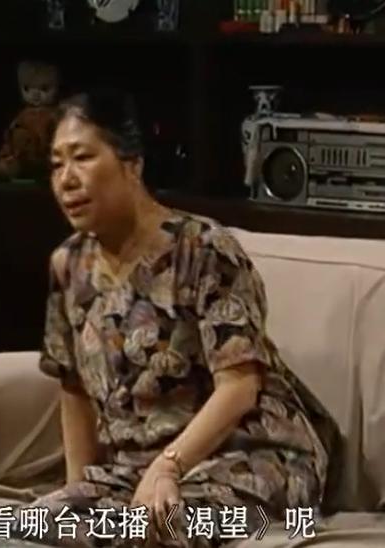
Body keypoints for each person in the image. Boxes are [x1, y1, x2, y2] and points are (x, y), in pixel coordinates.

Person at [24, 88, 341, 547]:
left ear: (132, 164)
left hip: (248, 453)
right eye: (56, 165)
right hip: (135, 468)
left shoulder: (203, 248)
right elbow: (72, 388)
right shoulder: (68, 265)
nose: (66, 180)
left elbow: (240, 385)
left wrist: (168, 466)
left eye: (83, 158)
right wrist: (75, 496)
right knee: (32, 527)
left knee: (159, 526)